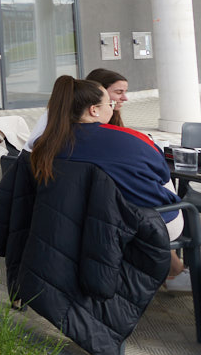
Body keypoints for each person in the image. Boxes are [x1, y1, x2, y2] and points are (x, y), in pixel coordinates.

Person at [30, 75, 184, 276]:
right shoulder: (135, 139)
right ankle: (173, 269)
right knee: (169, 191)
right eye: (110, 103)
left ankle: (168, 269)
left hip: (77, 222)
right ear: (94, 110)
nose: (114, 106)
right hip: (145, 225)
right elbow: (163, 178)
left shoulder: (45, 146)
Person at [25, 68, 130, 150]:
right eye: (119, 92)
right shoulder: (62, 120)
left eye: (125, 92)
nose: (125, 98)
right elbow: (34, 144)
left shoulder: (110, 117)